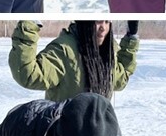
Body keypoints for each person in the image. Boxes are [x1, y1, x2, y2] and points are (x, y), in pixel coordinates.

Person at [9, 19, 139, 101]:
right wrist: (28, 28)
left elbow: (119, 80)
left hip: (98, 134)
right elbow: (29, 75)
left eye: (107, 22)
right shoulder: (65, 50)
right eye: (98, 21)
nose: (103, 28)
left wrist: (131, 37)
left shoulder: (107, 49)